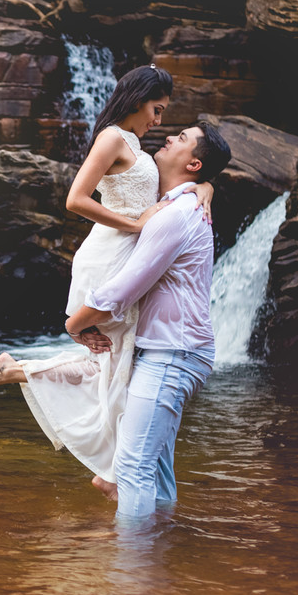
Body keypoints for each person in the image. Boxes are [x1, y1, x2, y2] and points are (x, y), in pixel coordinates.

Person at [0, 64, 211, 497]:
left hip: (123, 253)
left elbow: (173, 185)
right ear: (138, 100)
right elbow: (75, 199)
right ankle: (112, 475)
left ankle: (22, 375)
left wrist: (204, 187)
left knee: (115, 365)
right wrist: (135, 225)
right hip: (108, 256)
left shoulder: (135, 143)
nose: (159, 121)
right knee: (117, 363)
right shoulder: (112, 138)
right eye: (157, 109)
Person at [65, 120, 231, 518]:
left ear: (193, 164)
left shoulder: (177, 214)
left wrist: (74, 323)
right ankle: (159, 544)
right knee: (155, 470)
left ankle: (131, 557)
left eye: (182, 138)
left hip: (173, 354)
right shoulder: (179, 203)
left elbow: (125, 288)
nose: (168, 135)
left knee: (131, 469)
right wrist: (207, 186)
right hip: (174, 351)